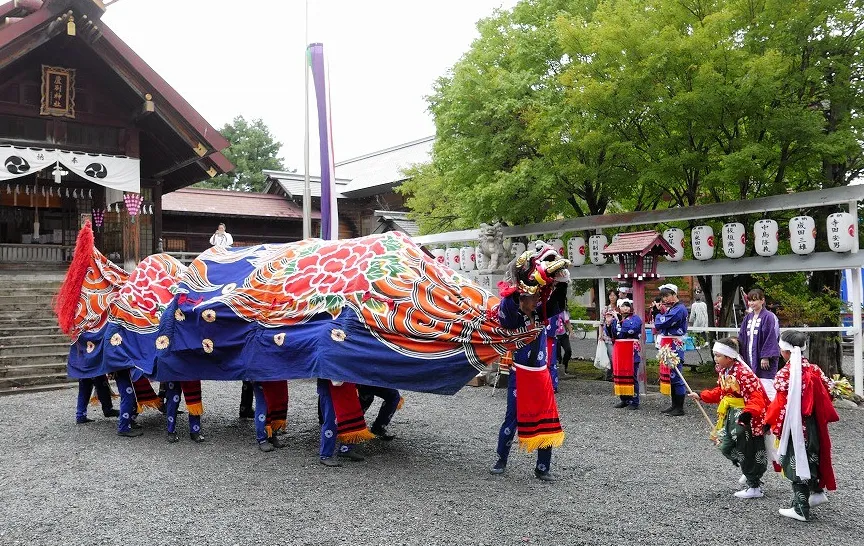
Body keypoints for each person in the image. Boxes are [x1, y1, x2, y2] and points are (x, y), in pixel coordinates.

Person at [490, 245, 569, 482]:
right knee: (512, 417)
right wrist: (521, 278)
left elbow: (559, 300)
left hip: (541, 374)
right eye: (532, 298)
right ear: (522, 297)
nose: (536, 301)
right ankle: (501, 459)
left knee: (547, 417)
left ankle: (543, 467)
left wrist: (560, 278)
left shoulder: (542, 312)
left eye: (537, 297)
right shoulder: (514, 314)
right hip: (521, 374)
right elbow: (508, 304)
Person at [764, 330, 839, 522]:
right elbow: (829, 392)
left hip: (795, 425)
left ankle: (800, 508)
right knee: (812, 456)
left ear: (785, 351)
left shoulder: (784, 374)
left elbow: (780, 403)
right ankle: (817, 492)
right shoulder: (815, 369)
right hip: (813, 423)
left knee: (795, 462)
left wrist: (768, 421)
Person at [690, 338, 770, 499]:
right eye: (715, 355)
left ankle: (754, 483)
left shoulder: (743, 373)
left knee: (746, 448)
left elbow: (757, 397)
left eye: (718, 355)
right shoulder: (724, 371)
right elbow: (721, 392)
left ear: (729, 357)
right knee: (726, 446)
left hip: (745, 417)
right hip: (730, 414)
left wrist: (748, 414)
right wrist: (701, 395)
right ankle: (749, 470)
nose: (715, 358)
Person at [737, 289, 781, 397]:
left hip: (763, 359)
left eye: (754, 300)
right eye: (750, 300)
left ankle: (771, 410)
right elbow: (742, 336)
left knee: (767, 387)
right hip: (750, 356)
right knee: (752, 387)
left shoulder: (769, 316)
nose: (751, 303)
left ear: (762, 300)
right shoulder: (747, 318)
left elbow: (771, 336)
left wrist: (766, 356)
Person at [654, 283, 689, 416]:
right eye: (663, 296)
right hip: (669, 341)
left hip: (674, 342)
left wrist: (658, 315)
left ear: (675, 294)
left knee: (676, 373)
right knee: (672, 374)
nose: (665, 299)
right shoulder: (673, 308)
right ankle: (674, 405)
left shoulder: (679, 309)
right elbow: (662, 324)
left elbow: (661, 323)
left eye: (667, 296)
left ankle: (679, 407)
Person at [611, 299, 642, 410]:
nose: (626, 308)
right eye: (623, 306)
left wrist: (619, 320)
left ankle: (634, 401)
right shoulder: (616, 319)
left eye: (627, 306)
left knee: (632, 376)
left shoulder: (636, 318)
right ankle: (624, 399)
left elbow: (631, 329)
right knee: (621, 375)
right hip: (620, 350)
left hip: (631, 351)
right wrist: (609, 325)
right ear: (619, 307)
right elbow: (614, 335)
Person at [253, 381, 289, 452]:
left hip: (276, 377)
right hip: (260, 376)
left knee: (276, 403)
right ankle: (262, 438)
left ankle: (271, 434)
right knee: (262, 405)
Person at [599, 290, 619, 381]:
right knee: (611, 356)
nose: (612, 297)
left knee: (616, 356)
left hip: (618, 336)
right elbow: (601, 323)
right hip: (608, 337)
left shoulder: (620, 308)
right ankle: (610, 375)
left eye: (614, 295)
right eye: (610, 295)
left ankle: (613, 374)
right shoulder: (606, 309)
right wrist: (600, 335)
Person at [555, 309, 573, 376]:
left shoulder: (563, 312)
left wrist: (571, 332)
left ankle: (565, 367)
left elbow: (567, 322)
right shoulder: (550, 311)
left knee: (568, 351)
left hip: (563, 334)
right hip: (554, 335)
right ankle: (559, 371)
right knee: (558, 354)